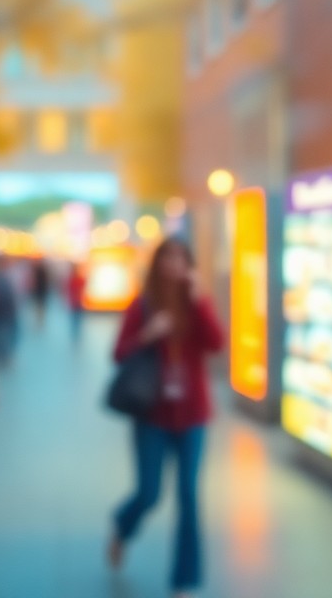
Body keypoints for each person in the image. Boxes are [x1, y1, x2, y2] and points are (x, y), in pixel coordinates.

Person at [107, 238, 224, 598]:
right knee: (149, 492)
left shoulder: (196, 305)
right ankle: (122, 526)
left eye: (181, 258)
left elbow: (217, 343)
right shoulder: (141, 306)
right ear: (157, 264)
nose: (173, 265)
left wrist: (201, 300)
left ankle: (182, 582)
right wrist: (147, 334)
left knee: (189, 496)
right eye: (167, 258)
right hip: (153, 414)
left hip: (192, 415)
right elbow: (118, 353)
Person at [66, 262, 88, 344]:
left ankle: (75, 335)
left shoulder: (72, 279)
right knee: (77, 319)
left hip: (74, 302)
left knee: (74, 319)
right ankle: (76, 335)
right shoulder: (77, 279)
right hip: (77, 301)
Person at [30, 259, 51, 330]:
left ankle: (39, 322)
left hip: (40, 292)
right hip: (40, 292)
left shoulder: (38, 272)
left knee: (39, 308)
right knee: (40, 308)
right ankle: (40, 321)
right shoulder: (42, 272)